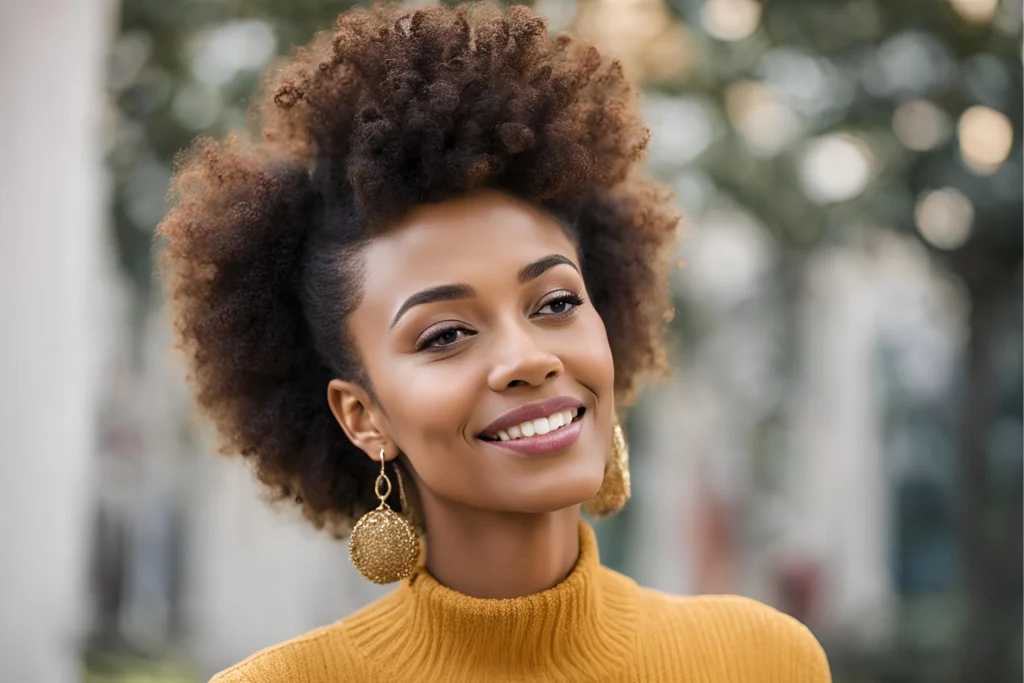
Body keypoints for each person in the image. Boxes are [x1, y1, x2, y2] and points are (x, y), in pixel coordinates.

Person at [157, 4, 831, 682]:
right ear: (364, 417)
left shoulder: (764, 660)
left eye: (557, 302)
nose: (528, 358)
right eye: (446, 334)